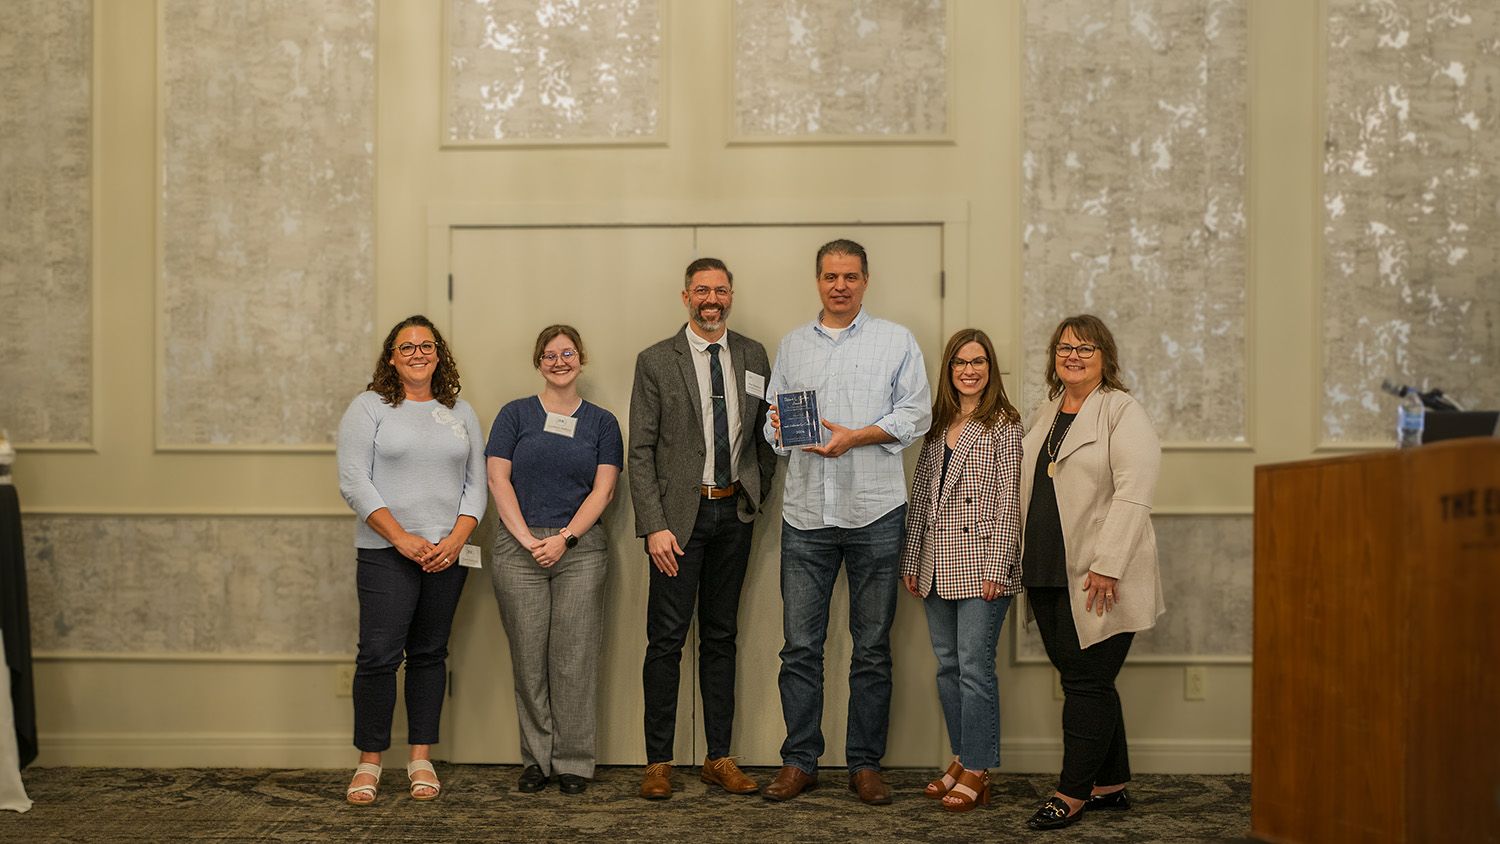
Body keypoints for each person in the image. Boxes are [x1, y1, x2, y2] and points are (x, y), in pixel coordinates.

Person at [760, 239, 931, 805]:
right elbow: (771, 424)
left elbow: (916, 414)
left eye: (851, 276)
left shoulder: (896, 341)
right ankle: (800, 761)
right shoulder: (791, 347)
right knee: (799, 648)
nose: (840, 285)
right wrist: (780, 432)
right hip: (806, 515)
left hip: (875, 513)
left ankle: (864, 764)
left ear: (865, 280)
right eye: (831, 276)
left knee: (873, 647)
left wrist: (856, 435)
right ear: (817, 281)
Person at [630, 257, 778, 800]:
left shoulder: (753, 354)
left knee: (721, 638)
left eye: (719, 290)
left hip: (732, 516)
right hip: (676, 523)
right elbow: (640, 451)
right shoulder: (655, 361)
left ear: (731, 295)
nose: (710, 299)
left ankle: (719, 757)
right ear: (685, 296)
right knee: (666, 640)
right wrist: (653, 526)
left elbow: (766, 436)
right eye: (700, 290)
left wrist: (756, 495)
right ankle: (658, 762)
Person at [1019, 314, 1163, 831]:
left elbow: (1135, 490)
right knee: (1088, 679)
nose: (1073, 356)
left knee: (1086, 682)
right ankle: (1111, 783)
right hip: (1045, 565)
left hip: (1098, 571)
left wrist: (1107, 564)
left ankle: (1072, 792)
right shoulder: (1046, 411)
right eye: (1064, 348)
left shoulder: (1121, 411)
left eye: (1084, 348)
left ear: (1105, 357)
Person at [336, 315, 486, 805]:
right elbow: (354, 481)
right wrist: (401, 538)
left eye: (426, 345)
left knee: (429, 654)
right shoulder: (369, 408)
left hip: (447, 554)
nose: (417, 352)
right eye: (407, 346)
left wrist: (455, 538)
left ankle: (420, 757)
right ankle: (370, 761)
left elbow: (476, 486)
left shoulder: (460, 411)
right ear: (392, 357)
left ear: (438, 354)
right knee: (378, 657)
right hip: (386, 553)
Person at [486, 325, 622, 796]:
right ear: (538, 362)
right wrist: (527, 539)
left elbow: (604, 490)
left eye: (567, 353)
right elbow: (498, 481)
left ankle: (574, 763)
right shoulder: (514, 415)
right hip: (518, 548)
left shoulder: (603, 423)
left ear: (581, 358)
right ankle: (536, 761)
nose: (559, 361)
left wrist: (564, 538)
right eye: (549, 354)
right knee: (528, 659)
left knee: (574, 660)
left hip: (579, 550)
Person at [899, 328, 1023, 813]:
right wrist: (912, 559)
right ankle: (961, 754)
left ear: (990, 369)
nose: (969, 370)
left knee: (974, 669)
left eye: (978, 362)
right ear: (948, 370)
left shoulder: (1004, 424)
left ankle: (978, 768)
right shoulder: (938, 422)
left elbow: (1011, 500)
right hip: (935, 564)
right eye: (959, 362)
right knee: (948, 668)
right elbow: (924, 500)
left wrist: (999, 566)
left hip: (982, 566)